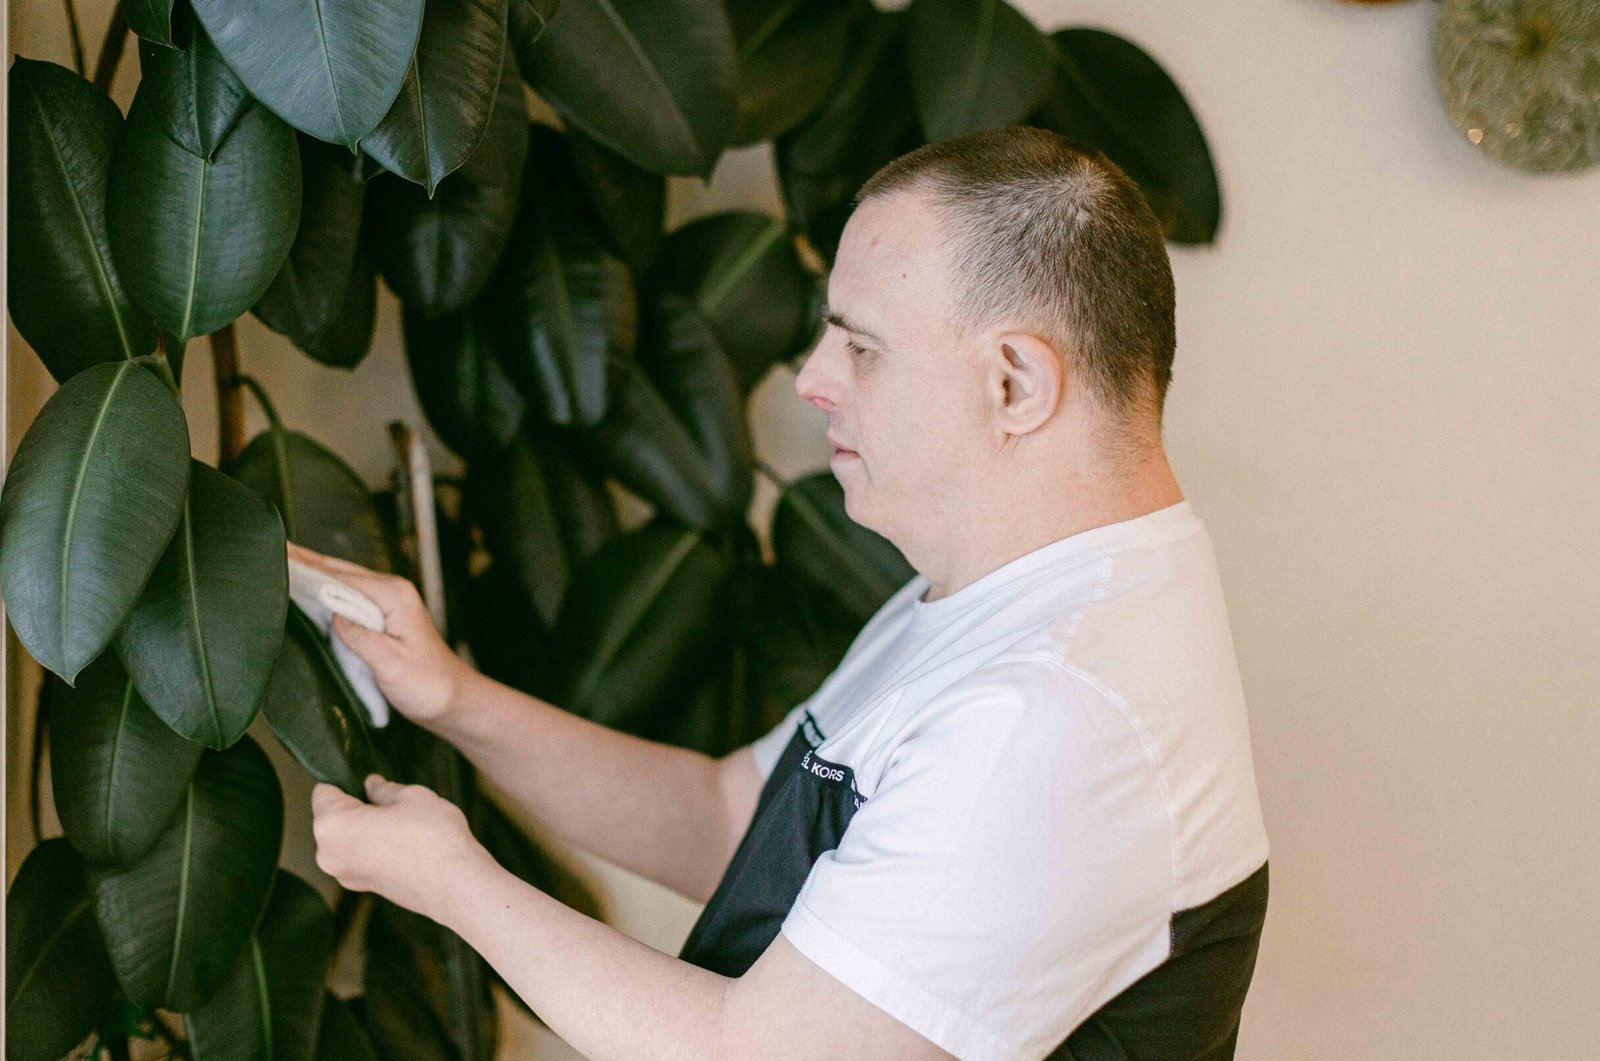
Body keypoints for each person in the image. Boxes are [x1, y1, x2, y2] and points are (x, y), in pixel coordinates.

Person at [303, 125, 1270, 1061]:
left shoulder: (1055, 711)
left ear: (1014, 383)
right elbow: (731, 815)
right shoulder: (1006, 591)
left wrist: (453, 882)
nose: (812, 379)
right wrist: (453, 697)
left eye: (862, 346)